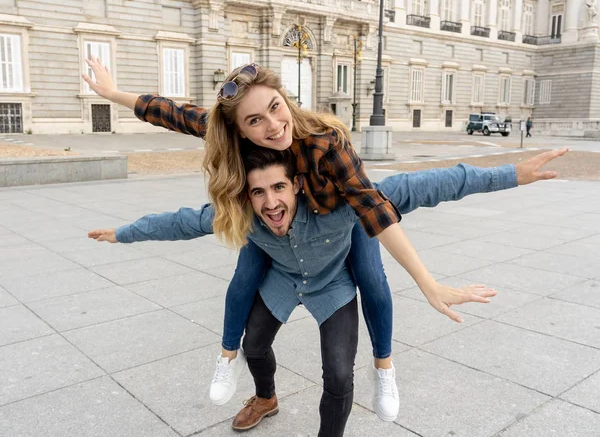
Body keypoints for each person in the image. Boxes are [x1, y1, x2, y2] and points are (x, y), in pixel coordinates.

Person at [80, 59, 548, 421]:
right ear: (240, 130)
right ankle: (259, 390)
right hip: (282, 256)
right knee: (249, 304)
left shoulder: (326, 146)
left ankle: (383, 366)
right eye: (254, 121)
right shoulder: (244, 177)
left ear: (287, 100)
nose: (271, 125)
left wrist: (509, 177)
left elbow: (416, 190)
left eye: (275, 108)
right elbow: (178, 118)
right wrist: (114, 94)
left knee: (370, 280)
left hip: (343, 221)